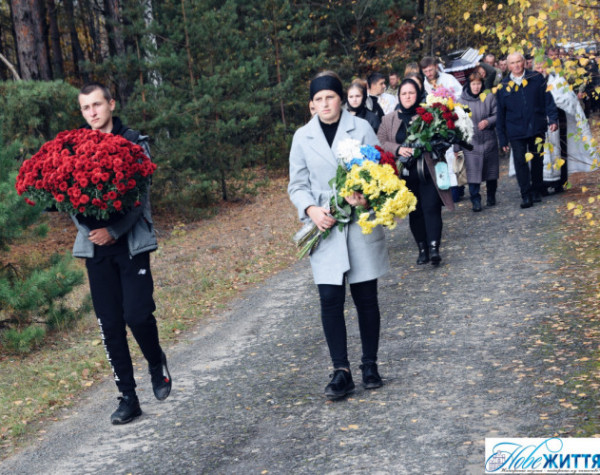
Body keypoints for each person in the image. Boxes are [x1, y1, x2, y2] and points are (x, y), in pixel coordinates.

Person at [73, 83, 171, 424]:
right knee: (110, 324)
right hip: (95, 250)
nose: (93, 112)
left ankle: (156, 361)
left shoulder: (133, 143)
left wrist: (112, 231)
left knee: (137, 315)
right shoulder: (74, 148)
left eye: (97, 104)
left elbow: (141, 200)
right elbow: (67, 197)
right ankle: (128, 398)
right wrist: (89, 230)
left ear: (111, 104)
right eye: (86, 108)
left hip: (129, 244)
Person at [288, 71, 389, 400]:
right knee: (330, 301)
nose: (324, 104)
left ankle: (370, 364)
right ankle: (340, 370)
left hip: (359, 224)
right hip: (326, 227)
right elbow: (297, 185)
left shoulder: (360, 128)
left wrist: (366, 195)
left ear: (340, 99)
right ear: (311, 105)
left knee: (366, 299)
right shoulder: (302, 137)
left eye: (329, 97)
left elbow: (381, 172)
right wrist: (311, 211)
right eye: (318, 99)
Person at [377, 78, 454, 266]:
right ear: (399, 96)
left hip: (428, 171)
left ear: (418, 94)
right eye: (404, 93)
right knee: (416, 212)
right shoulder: (389, 119)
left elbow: (443, 138)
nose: (407, 96)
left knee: (431, 208)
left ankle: (434, 247)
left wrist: (428, 144)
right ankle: (422, 249)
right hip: (405, 175)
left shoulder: (429, 114)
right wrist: (397, 149)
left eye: (411, 93)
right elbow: (381, 141)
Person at [496, 52, 558, 208]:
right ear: (508, 66)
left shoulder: (536, 78)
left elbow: (548, 99)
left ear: (524, 62)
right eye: (512, 63)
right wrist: (502, 138)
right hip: (515, 129)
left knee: (537, 158)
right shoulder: (503, 86)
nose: (516, 65)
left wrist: (552, 118)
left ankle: (537, 189)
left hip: (536, 125)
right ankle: (526, 194)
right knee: (520, 161)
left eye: (518, 62)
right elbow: (500, 114)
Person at [455, 72, 499, 211]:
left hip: (488, 139)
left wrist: (488, 121)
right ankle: (476, 200)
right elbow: (457, 125)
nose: (476, 87)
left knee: (491, 172)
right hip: (471, 143)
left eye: (478, 84)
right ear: (469, 84)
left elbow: (497, 115)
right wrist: (457, 148)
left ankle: (491, 195)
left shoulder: (489, 97)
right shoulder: (461, 101)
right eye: (473, 84)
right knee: (473, 174)